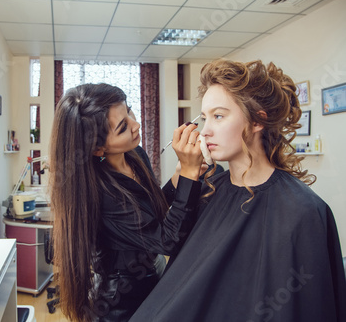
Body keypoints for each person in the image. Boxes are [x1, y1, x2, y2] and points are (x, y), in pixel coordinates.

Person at [130, 59, 346, 321]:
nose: (205, 131)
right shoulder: (207, 193)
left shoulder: (304, 211)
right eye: (204, 117)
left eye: (218, 116)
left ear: (257, 121)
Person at [49, 83, 203, 321]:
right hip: (120, 299)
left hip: (152, 272)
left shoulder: (135, 154)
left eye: (129, 112)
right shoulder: (103, 193)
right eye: (123, 128)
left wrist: (177, 180)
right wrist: (190, 175)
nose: (136, 124)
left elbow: (149, 213)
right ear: (97, 148)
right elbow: (166, 241)